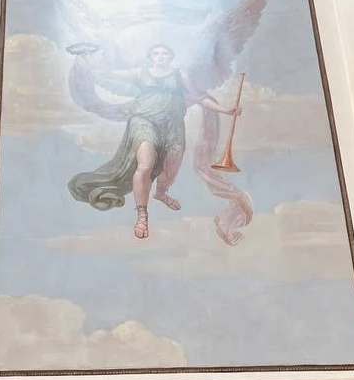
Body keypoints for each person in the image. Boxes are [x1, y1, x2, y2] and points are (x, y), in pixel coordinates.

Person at [68, 44, 241, 239]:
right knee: (145, 165)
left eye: (165, 53)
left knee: (171, 168)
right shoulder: (139, 72)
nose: (160, 56)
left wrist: (225, 110)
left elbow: (199, 97)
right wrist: (87, 57)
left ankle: (161, 192)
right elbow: (108, 74)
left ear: (171, 57)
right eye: (156, 53)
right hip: (144, 120)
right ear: (151, 57)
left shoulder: (180, 75)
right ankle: (142, 215)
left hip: (173, 125)